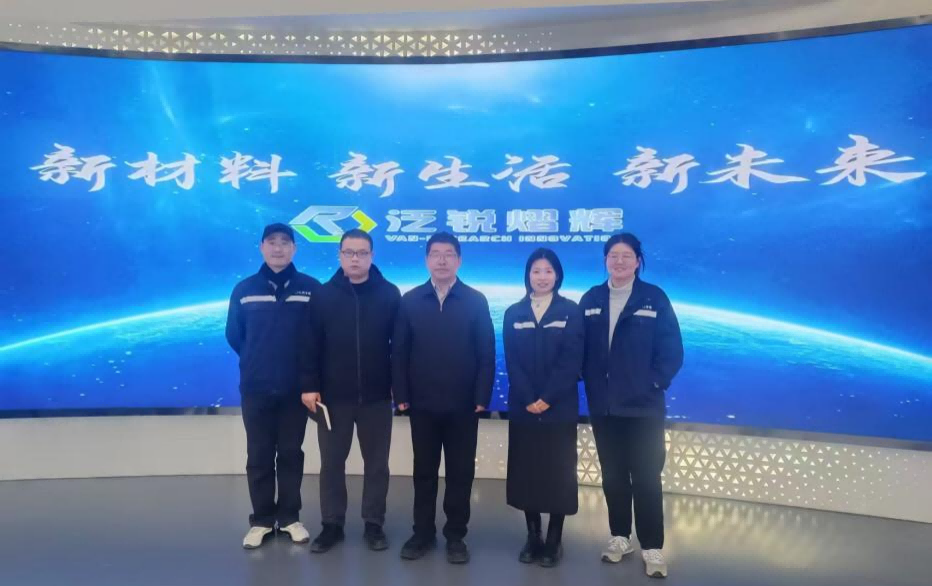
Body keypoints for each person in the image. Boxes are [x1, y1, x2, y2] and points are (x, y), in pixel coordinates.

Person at [579, 232, 684, 579]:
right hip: (605, 407)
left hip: (643, 408)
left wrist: (652, 383)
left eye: (626, 255)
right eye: (613, 255)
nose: (619, 261)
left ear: (638, 261)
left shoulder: (654, 298)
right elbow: (578, 349)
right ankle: (620, 536)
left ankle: (652, 545)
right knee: (613, 475)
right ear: (605, 260)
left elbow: (672, 351)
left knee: (646, 476)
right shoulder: (591, 299)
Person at [392, 232, 495, 564]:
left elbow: (486, 353)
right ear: (426, 260)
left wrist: (482, 396)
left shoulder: (476, 300)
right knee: (424, 472)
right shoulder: (410, 300)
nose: (442, 260)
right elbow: (399, 352)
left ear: (459, 260)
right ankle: (422, 533)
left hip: (464, 405)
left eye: (449, 254)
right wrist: (401, 395)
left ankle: (455, 535)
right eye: (435, 254)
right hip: (422, 404)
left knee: (460, 473)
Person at [302, 229, 401, 554]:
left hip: (376, 398)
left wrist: (399, 386)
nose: (355, 258)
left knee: (377, 465)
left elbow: (400, 346)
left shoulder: (389, 294)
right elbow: (310, 344)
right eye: (349, 252)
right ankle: (332, 524)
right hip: (333, 400)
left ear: (372, 256)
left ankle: (374, 523)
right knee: (332, 463)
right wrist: (310, 386)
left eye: (361, 253)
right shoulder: (323, 295)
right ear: (339, 255)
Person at [225, 223, 320, 549]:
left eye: (285, 242)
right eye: (272, 242)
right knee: (259, 455)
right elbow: (235, 336)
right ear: (262, 247)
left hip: (297, 391)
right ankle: (262, 520)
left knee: (291, 454)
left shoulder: (311, 289)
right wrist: (258, 360)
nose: (278, 248)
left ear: (294, 249)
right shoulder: (244, 289)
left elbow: (319, 337)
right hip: (256, 388)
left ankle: (290, 517)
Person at [502, 248, 584, 568]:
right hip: (524, 407)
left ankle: (554, 539)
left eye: (548, 271)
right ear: (528, 275)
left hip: (559, 408)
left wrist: (548, 397)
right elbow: (512, 361)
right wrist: (528, 398)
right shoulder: (514, 313)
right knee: (527, 471)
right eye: (536, 271)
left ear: (558, 275)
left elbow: (571, 361)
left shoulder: (570, 311)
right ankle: (533, 535)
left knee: (558, 472)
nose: (542, 277)